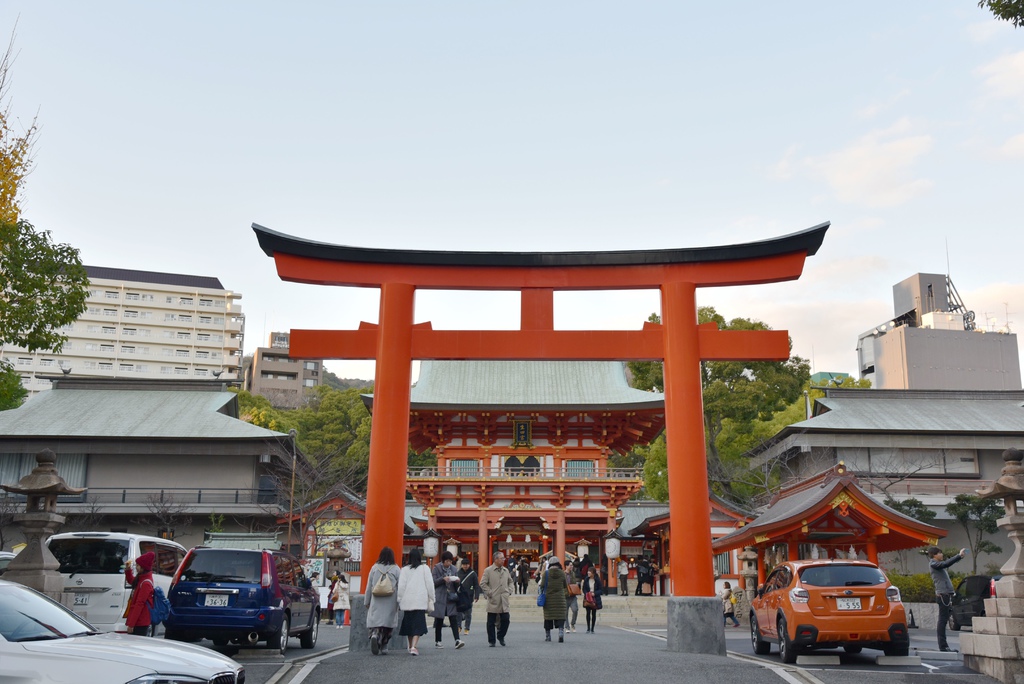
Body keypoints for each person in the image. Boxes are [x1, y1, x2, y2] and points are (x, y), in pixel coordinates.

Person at [364, 546, 401, 656]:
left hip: (376, 598)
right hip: (391, 600)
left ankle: (375, 635)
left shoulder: (375, 568)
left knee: (375, 621)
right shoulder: (396, 569)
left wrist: (367, 601)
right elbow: (400, 586)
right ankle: (384, 645)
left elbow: (369, 586)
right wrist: (399, 602)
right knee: (388, 623)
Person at [929, 546, 967, 652]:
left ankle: (944, 646)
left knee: (944, 620)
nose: (942, 555)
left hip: (946, 595)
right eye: (940, 553)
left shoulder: (937, 565)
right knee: (942, 620)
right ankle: (943, 646)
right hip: (943, 595)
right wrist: (958, 556)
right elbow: (946, 564)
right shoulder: (934, 564)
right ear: (934, 555)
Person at [398, 547, 434, 656]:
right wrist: (432, 597)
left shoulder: (404, 569)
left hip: (407, 601)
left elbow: (401, 586)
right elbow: (430, 584)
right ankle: (414, 646)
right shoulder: (425, 568)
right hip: (420, 600)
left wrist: (399, 599)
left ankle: (410, 646)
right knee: (418, 625)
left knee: (409, 625)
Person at [430, 550, 465, 649]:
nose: (449, 563)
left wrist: (457, 581)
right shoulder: (436, 568)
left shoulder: (453, 569)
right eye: (447, 561)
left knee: (453, 618)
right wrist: (442, 579)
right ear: (443, 561)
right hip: (440, 596)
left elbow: (456, 583)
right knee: (439, 619)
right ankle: (438, 641)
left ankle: (457, 640)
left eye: (451, 561)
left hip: (451, 597)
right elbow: (433, 582)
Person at [480, 551, 514, 647]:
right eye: (501, 558)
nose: (503, 560)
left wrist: (509, 590)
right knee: (491, 621)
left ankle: (500, 635)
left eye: (503, 558)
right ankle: (492, 640)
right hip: (493, 599)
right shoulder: (488, 570)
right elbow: (483, 583)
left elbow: (510, 582)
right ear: (495, 559)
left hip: (504, 599)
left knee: (506, 619)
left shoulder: (506, 570)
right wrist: (489, 592)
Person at [125, 551, 156, 636]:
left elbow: (140, 604)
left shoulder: (146, 583)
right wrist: (128, 570)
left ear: (144, 567)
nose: (137, 567)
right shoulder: (141, 578)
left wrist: (131, 624)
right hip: (138, 620)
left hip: (141, 621)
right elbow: (132, 581)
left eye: (138, 565)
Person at [539, 556, 570, 643]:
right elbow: (565, 586)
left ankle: (548, 636)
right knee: (560, 616)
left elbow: (541, 586)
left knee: (548, 617)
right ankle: (560, 633)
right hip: (560, 598)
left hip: (549, 599)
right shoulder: (562, 573)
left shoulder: (546, 573)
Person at [457, 557, 480, 635]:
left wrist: (476, 595)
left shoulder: (473, 573)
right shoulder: (458, 573)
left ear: (469, 565)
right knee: (458, 613)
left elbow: (476, 585)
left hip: (469, 596)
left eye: (466, 564)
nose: (465, 566)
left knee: (468, 613)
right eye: (463, 565)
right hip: (459, 596)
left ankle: (467, 628)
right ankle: (458, 626)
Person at [581, 565, 603, 633]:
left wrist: (595, 593)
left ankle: (592, 628)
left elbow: (601, 590)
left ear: (593, 573)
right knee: (588, 612)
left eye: (589, 572)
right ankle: (588, 628)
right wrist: (586, 593)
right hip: (588, 597)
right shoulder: (586, 579)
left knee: (594, 613)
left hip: (595, 597)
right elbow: (584, 588)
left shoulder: (597, 580)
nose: (588, 573)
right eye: (588, 572)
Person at [564, 560, 580, 633]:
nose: (572, 566)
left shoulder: (573, 574)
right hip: (565, 595)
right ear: (566, 566)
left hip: (572, 595)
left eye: (572, 565)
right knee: (565, 612)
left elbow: (574, 582)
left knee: (575, 610)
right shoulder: (562, 574)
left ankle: (572, 624)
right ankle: (567, 627)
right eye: (570, 565)